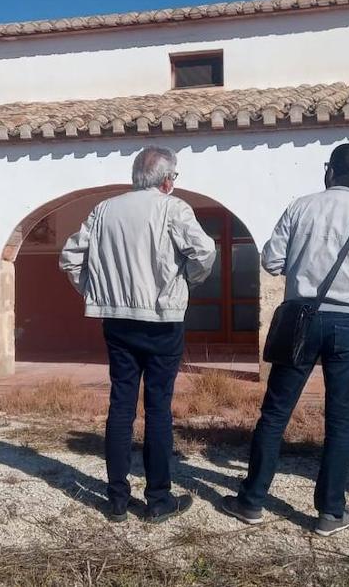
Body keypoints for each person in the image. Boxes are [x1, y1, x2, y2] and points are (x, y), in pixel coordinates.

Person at [220, 144, 349, 536]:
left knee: (275, 413)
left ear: (329, 171)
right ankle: (330, 512)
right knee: (340, 419)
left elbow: (271, 260)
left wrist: (302, 266)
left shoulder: (300, 207)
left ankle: (251, 501)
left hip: (301, 318)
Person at [59, 146, 216, 524]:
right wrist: (187, 283)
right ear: (167, 179)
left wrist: (95, 292)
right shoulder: (173, 207)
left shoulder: (103, 210)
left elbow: (69, 256)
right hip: (162, 319)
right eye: (174, 178)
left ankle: (116, 499)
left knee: (121, 406)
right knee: (158, 408)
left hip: (117, 319)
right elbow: (205, 252)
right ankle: (158, 500)